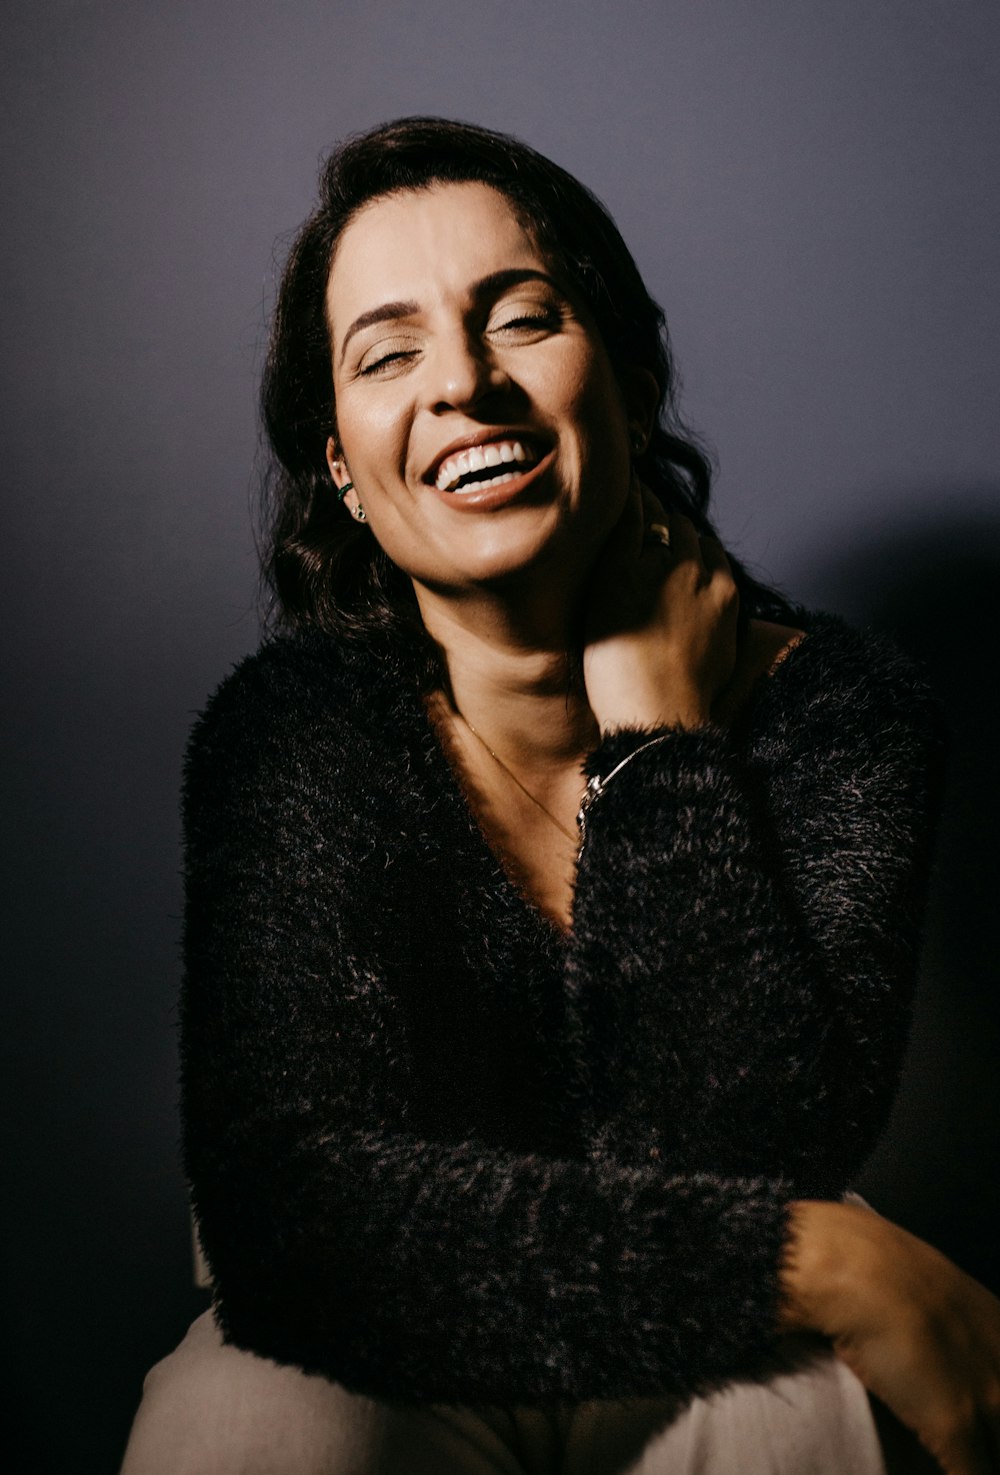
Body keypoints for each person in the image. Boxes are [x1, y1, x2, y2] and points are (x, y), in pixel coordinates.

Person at [120, 117, 1000, 1475]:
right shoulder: (298, 735)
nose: (466, 383)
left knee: (798, 1423)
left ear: (632, 384)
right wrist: (820, 1260)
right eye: (388, 351)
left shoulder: (838, 712)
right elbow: (293, 1227)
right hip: (401, 1361)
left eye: (521, 319)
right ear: (344, 468)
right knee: (245, 1408)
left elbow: (732, 1147)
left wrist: (659, 740)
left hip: (731, 1365)